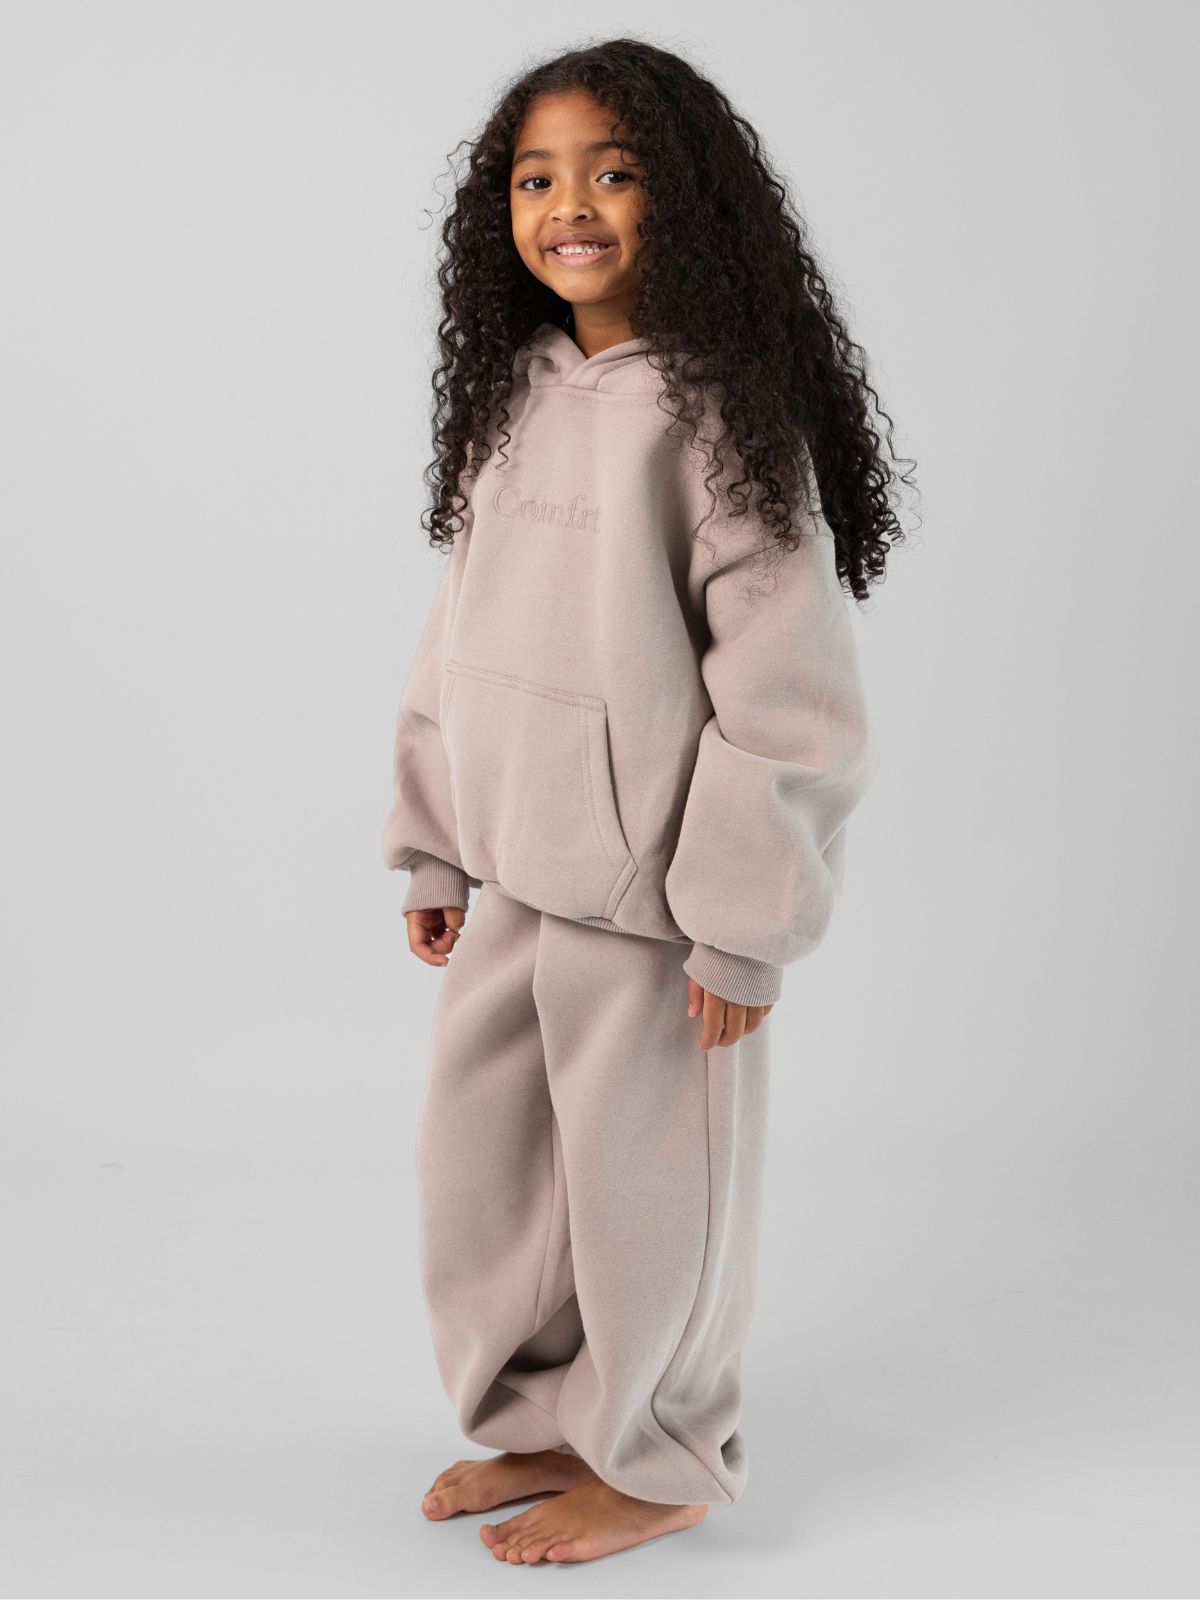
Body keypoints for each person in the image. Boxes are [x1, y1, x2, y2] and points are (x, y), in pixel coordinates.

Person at [380, 37, 913, 1567]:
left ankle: (664, 1451)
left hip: (657, 910)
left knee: (646, 1193)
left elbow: (792, 698)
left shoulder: (722, 419)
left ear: (684, 198)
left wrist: (740, 921)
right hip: (513, 871)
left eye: (613, 172)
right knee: (490, 1179)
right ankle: (555, 1419)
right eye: (535, 178)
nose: (570, 205)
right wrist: (432, 839)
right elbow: (461, 638)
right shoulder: (516, 397)